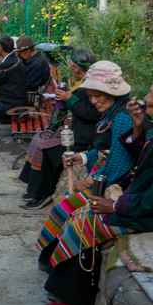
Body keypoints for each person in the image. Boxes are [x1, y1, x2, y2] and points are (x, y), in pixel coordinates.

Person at [39, 74, 153, 305]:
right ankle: (58, 275)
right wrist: (139, 125)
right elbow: (146, 159)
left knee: (88, 222)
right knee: (80, 211)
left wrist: (117, 206)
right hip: (149, 200)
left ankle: (76, 299)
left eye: (150, 93)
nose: (144, 98)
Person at [35, 60, 135, 250]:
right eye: (91, 96)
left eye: (98, 96)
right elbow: (105, 150)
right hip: (103, 181)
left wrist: (88, 183)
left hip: (112, 190)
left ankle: (57, 258)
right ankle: (50, 253)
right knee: (62, 207)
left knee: (66, 211)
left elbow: (118, 164)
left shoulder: (123, 119)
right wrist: (82, 158)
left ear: (112, 93)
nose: (93, 101)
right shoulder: (112, 114)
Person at [19, 49, 101, 209]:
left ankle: (43, 194)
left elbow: (90, 114)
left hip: (85, 138)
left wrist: (69, 98)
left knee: (47, 150)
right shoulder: (82, 83)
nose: (71, 67)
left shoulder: (92, 87)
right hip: (77, 130)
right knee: (39, 139)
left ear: (79, 67)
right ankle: (33, 187)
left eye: (73, 65)